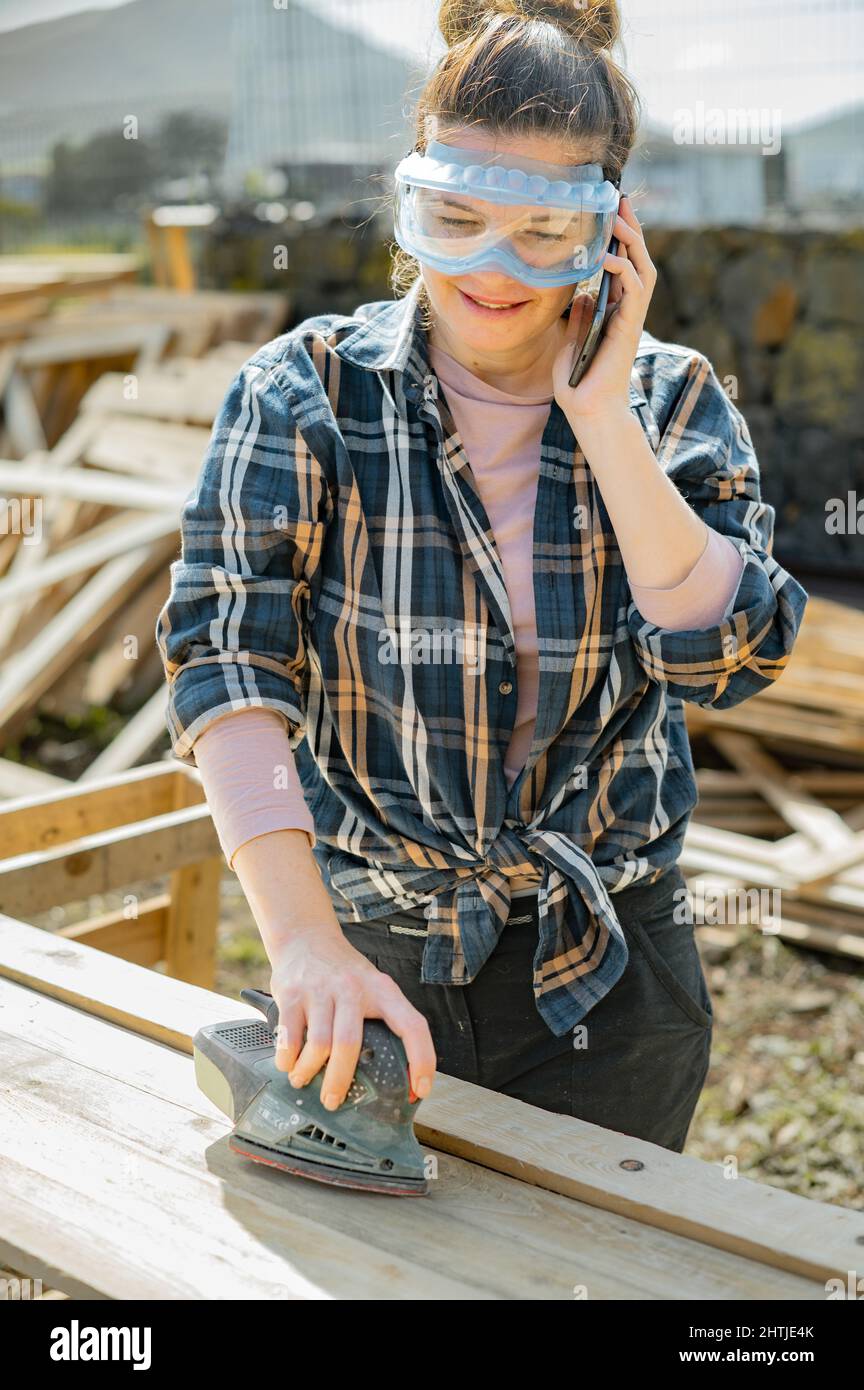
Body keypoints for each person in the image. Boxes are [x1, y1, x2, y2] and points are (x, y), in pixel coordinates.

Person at [156, 0, 809, 1153]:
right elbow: (224, 657)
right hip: (369, 948)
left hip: (614, 967)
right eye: (455, 217)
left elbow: (730, 660)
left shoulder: (676, 401)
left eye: (544, 231)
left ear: (611, 232)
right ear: (409, 208)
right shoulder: (305, 394)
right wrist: (303, 940)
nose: (494, 269)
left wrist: (604, 419)